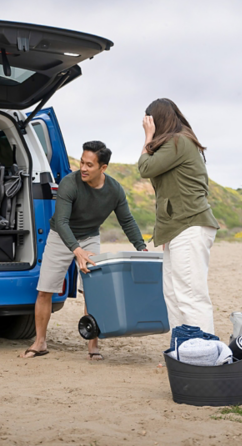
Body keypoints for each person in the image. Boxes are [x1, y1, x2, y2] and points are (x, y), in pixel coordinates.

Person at [21, 141, 147, 360]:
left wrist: (142, 247)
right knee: (45, 290)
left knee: (93, 292)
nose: (84, 168)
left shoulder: (115, 190)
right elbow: (61, 221)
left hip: (89, 237)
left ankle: (93, 346)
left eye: (90, 164)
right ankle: (40, 342)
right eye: (82, 162)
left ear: (103, 168)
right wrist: (76, 250)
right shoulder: (70, 183)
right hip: (61, 236)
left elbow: (127, 220)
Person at [138, 98, 220, 335]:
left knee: (191, 296)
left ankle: (202, 353)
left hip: (190, 226)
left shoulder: (178, 141)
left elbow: (145, 167)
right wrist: (168, 231)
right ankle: (183, 350)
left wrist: (148, 136)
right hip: (179, 228)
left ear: (157, 120)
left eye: (149, 121)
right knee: (173, 296)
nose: (147, 126)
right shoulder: (175, 143)